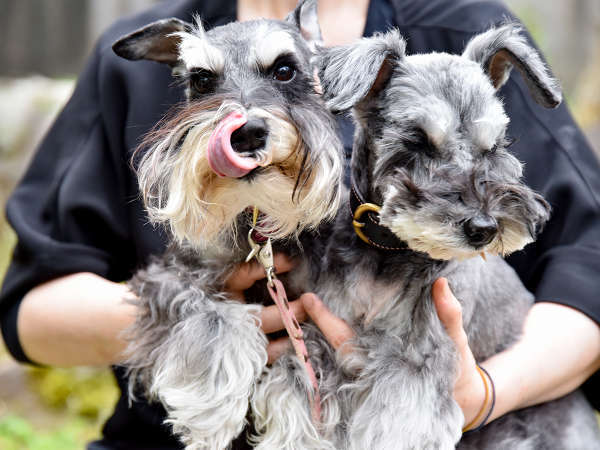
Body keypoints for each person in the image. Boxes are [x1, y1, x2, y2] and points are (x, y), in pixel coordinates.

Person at [1, 0, 599, 448]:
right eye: (204, 84)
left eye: (286, 75)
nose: (243, 115)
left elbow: (589, 267)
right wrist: (193, 316)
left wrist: (484, 394)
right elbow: (30, 310)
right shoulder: (134, 60)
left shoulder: (457, 31)